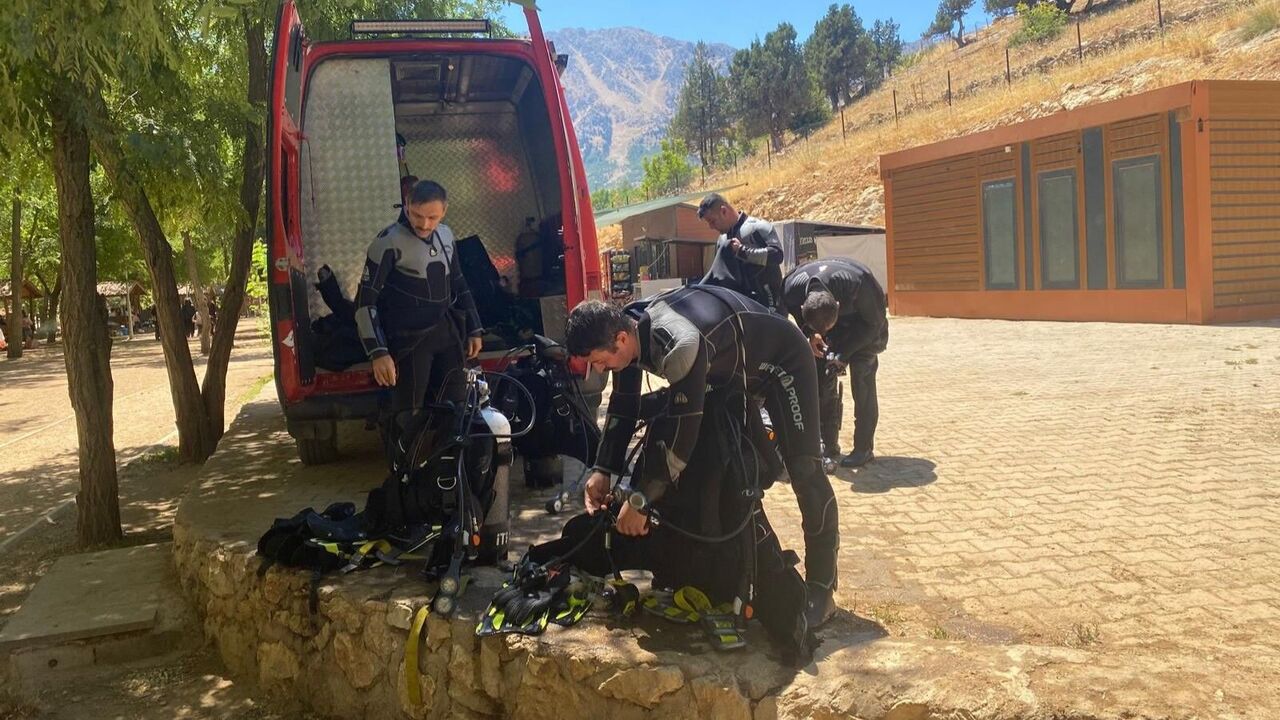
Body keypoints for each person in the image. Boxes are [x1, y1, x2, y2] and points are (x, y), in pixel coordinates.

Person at [565, 287, 841, 627]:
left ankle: (821, 589)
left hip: (781, 361)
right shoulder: (630, 327)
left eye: (597, 361)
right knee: (715, 467)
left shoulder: (677, 344)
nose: (597, 371)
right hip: (729, 366)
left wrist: (638, 500)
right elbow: (624, 407)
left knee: (805, 471)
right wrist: (602, 469)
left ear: (620, 339)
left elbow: (680, 446)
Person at [355, 180, 483, 465]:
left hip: (448, 334)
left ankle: (450, 477)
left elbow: (460, 284)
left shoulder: (447, 236)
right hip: (408, 341)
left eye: (432, 217)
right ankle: (406, 481)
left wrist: (474, 327)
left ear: (444, 211)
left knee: (457, 409)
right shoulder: (387, 242)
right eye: (417, 215)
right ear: (407, 206)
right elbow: (365, 303)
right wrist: (378, 352)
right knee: (408, 415)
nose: (424, 224)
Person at [781, 258, 888, 469]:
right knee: (822, 377)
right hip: (827, 322)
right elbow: (798, 323)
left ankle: (863, 448)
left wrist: (844, 353)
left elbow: (874, 326)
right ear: (803, 306)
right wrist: (812, 335)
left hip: (863, 327)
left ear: (838, 306)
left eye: (827, 328)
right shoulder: (790, 289)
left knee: (862, 379)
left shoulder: (860, 284)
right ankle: (828, 444)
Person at [697, 193, 784, 312]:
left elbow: (777, 254)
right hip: (742, 306)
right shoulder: (722, 241)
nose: (711, 227)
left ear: (723, 211)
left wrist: (742, 251)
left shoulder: (758, 227)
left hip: (771, 302)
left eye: (712, 221)